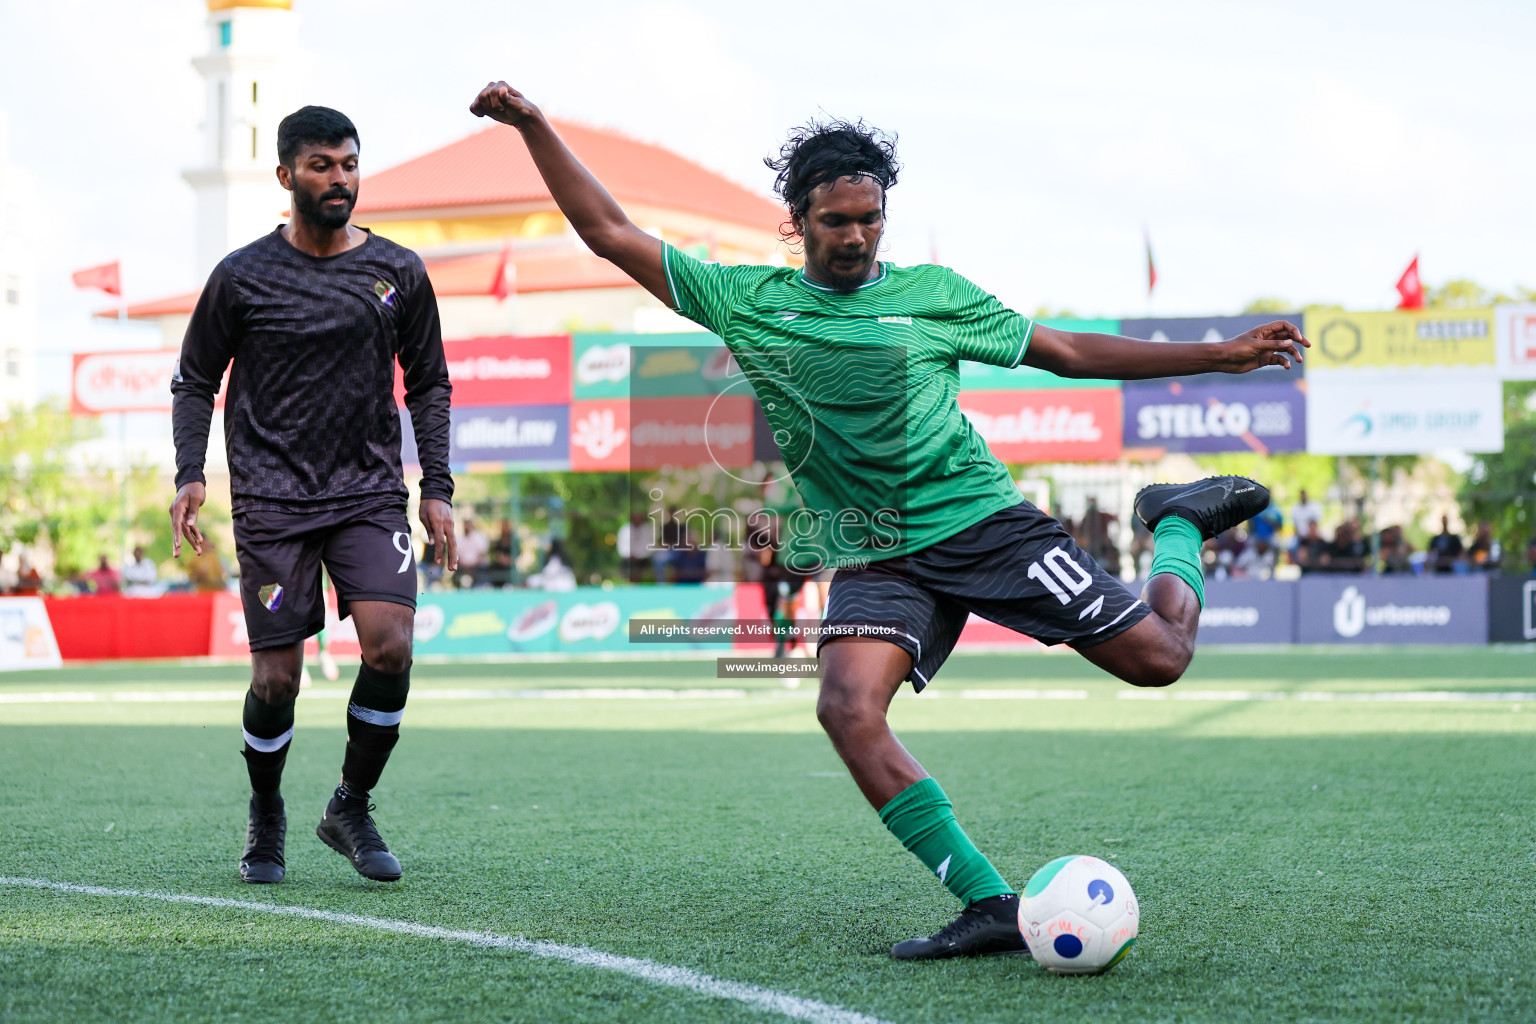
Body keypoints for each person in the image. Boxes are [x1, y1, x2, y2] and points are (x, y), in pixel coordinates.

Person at [470, 82, 1307, 958]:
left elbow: (1062, 352)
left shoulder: (933, 294)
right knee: (846, 707)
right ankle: (989, 902)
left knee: (1160, 661)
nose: (858, 234)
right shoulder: (742, 299)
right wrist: (534, 125)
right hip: (874, 549)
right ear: (797, 220)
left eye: (871, 217)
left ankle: (1175, 522)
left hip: (984, 523)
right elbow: (610, 233)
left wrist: (1220, 353)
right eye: (836, 219)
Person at [169, 106, 457, 886]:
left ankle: (350, 805)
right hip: (269, 501)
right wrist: (190, 473)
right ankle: (267, 812)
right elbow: (196, 378)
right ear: (286, 175)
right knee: (277, 681)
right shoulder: (242, 275)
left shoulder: (398, 270)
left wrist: (438, 488)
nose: (340, 179)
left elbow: (429, 381)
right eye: (323, 165)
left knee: (391, 643)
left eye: (350, 164)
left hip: (366, 492)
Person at [456, 515, 490, 587]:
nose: (467, 526)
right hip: (463, 568)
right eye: (466, 524)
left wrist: (473, 565)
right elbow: (457, 555)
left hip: (478, 568)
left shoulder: (480, 537)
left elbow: (482, 553)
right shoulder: (459, 538)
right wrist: (465, 565)